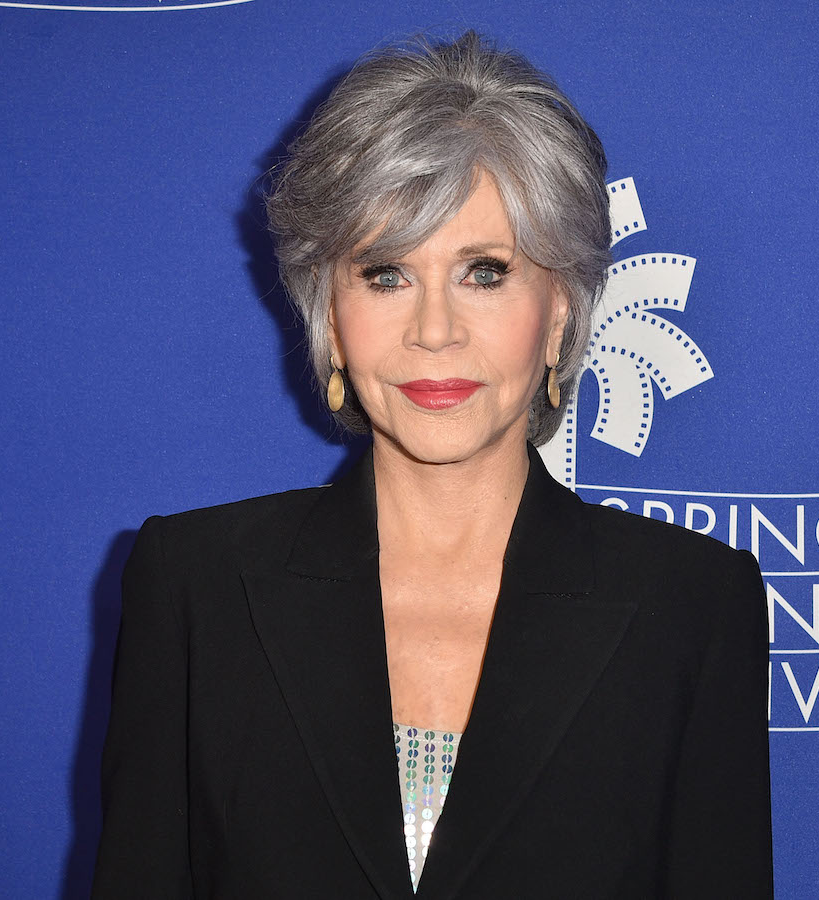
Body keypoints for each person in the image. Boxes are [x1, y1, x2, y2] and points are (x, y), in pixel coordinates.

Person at [91, 31, 772, 899]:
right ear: (328, 315)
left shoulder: (692, 606)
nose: (435, 330)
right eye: (385, 274)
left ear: (560, 310)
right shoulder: (195, 587)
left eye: (485, 272)